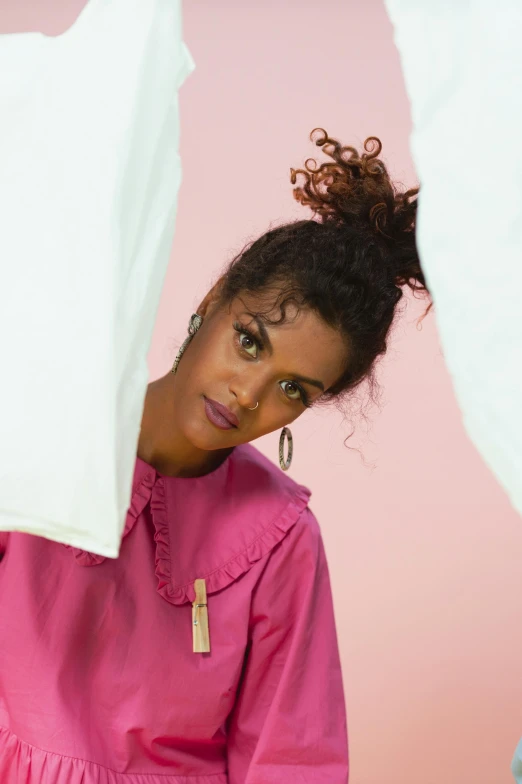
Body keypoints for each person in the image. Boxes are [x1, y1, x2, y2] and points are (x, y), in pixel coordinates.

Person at [0, 129, 426, 783]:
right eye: (251, 342)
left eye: (293, 389)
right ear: (212, 303)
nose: (249, 395)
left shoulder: (281, 542)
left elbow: (290, 758)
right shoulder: (40, 433)